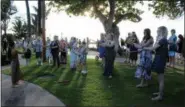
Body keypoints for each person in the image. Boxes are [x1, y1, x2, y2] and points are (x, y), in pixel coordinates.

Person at [143, 26, 168, 101]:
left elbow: (152, 48)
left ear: (162, 31)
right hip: (159, 59)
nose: (157, 31)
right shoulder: (162, 40)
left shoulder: (163, 40)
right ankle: (160, 93)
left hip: (160, 60)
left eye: (158, 30)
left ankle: (160, 96)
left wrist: (143, 48)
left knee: (161, 79)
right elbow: (156, 49)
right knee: (160, 77)